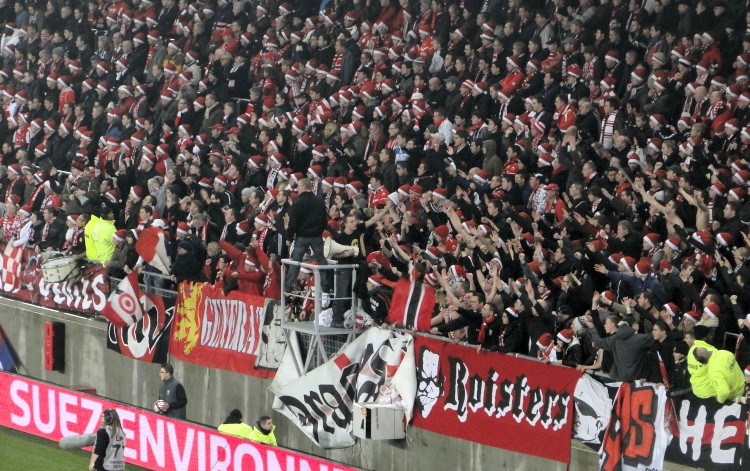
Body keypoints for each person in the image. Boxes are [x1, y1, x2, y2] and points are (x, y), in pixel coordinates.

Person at [283, 178, 330, 293]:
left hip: (302, 237)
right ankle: (326, 286)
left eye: (298, 186)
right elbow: (325, 220)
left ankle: (288, 287)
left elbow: (293, 223)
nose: (297, 189)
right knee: (321, 260)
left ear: (304, 187)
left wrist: (289, 238)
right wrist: (319, 231)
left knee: (295, 262)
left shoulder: (298, 203)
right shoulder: (319, 201)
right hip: (316, 236)